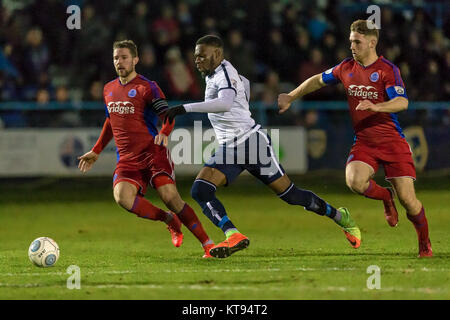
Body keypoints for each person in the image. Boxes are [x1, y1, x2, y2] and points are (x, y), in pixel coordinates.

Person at [164, 35, 361, 259]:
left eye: (202, 55)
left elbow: (225, 102)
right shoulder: (216, 74)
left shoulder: (224, 73)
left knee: (291, 195)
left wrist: (184, 109)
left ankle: (339, 216)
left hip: (251, 143)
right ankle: (233, 234)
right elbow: (245, 84)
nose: (197, 59)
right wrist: (242, 106)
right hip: (230, 147)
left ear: (217, 55)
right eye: (196, 55)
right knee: (200, 190)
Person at [278, 20, 432, 258]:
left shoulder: (387, 70)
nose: (352, 46)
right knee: (354, 182)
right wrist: (291, 96)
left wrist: (377, 106)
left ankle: (424, 243)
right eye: (350, 41)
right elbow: (317, 80)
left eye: (357, 42)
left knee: (410, 202)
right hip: (365, 142)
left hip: (392, 142)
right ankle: (385, 196)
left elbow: (403, 102)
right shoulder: (345, 67)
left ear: (372, 43)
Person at [77, 40, 214, 258]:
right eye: (116, 58)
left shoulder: (147, 87)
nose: (119, 62)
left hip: (153, 152)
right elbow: (110, 121)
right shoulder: (108, 89)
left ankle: (208, 244)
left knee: (170, 197)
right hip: (127, 159)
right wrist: (96, 150)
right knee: (122, 197)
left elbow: (167, 116)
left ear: (135, 60)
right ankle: (168, 219)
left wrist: (164, 133)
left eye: (124, 57)